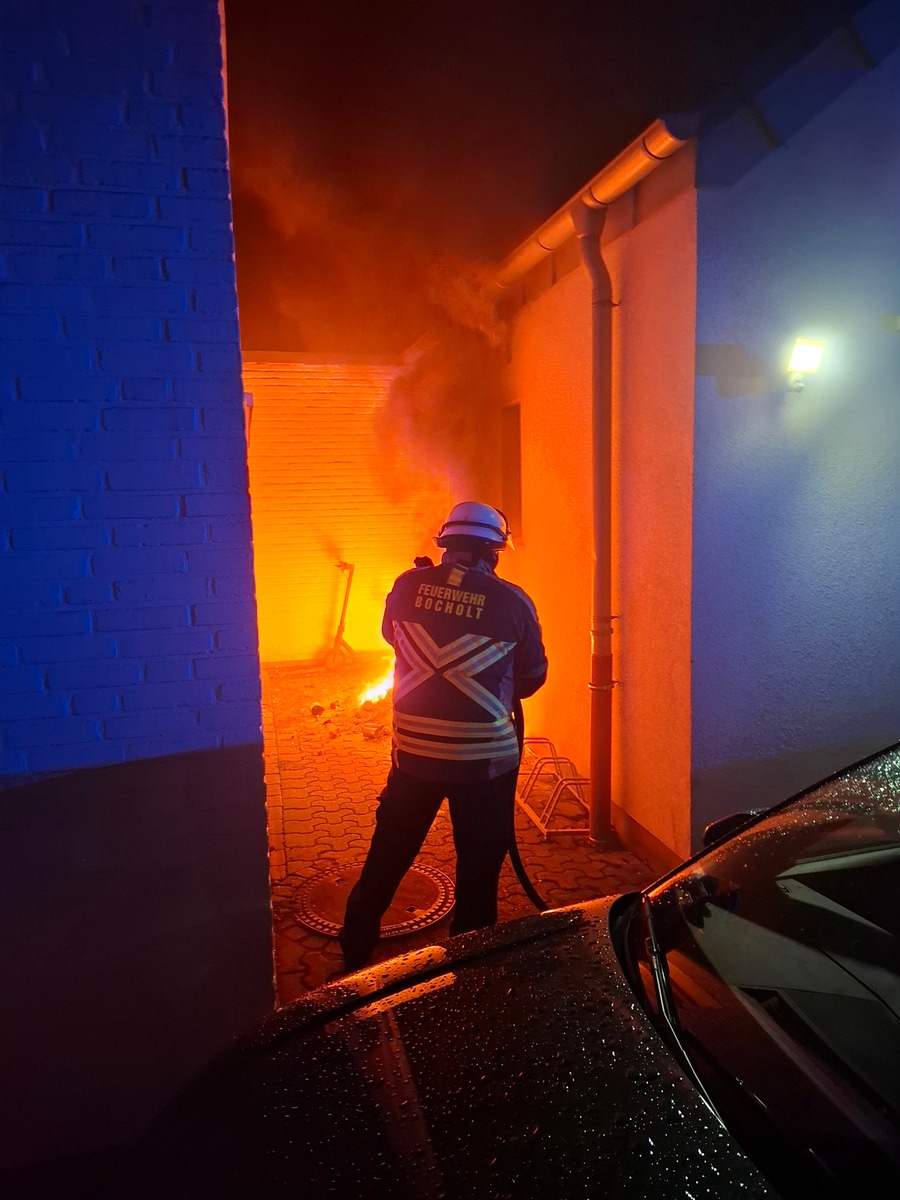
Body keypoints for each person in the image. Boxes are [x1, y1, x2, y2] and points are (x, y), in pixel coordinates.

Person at [339, 501, 548, 971]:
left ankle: (354, 947)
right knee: (478, 867)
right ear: (493, 551)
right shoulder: (513, 601)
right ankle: (469, 964)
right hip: (485, 765)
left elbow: (390, 636)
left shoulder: (406, 585)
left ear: (445, 545)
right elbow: (533, 677)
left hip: (413, 757)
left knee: (389, 852)